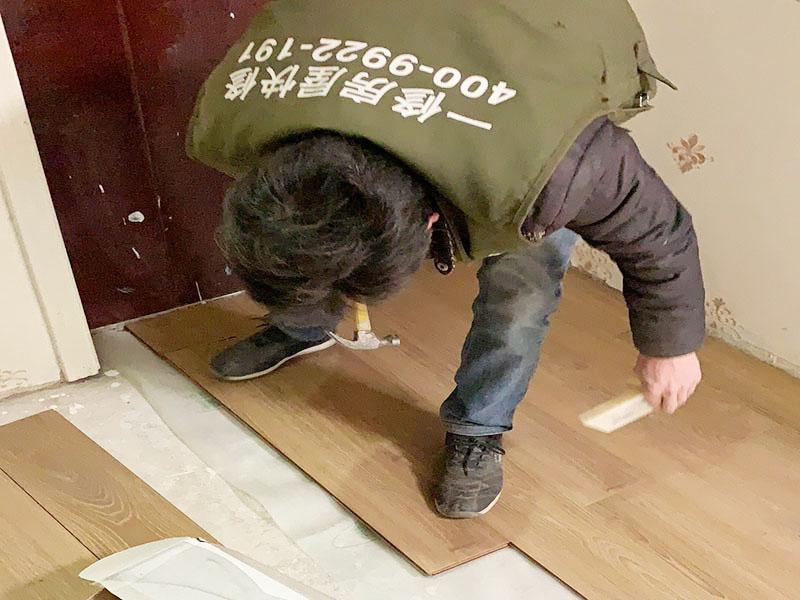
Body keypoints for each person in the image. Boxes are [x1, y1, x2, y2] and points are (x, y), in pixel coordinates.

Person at [186, 0, 704, 519]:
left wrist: (671, 347)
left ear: (430, 222)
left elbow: (658, 233)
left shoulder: (556, 169)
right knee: (307, 245)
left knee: (521, 288)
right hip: (395, 33)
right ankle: (302, 326)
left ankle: (478, 426)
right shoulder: (241, 113)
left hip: (544, 42)